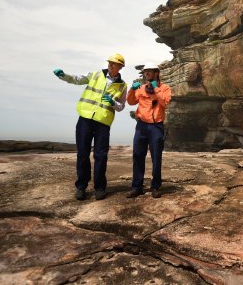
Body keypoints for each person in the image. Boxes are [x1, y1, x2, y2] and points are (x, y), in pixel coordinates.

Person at [53, 54, 128, 201]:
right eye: (110, 63)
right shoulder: (95, 75)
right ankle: (81, 187)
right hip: (85, 119)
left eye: (114, 64)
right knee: (82, 153)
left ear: (120, 67)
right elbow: (77, 79)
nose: (111, 65)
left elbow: (121, 107)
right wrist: (63, 76)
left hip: (103, 123)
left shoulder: (122, 85)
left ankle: (100, 188)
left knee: (101, 156)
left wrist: (112, 102)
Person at [126, 62, 172, 198]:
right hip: (141, 126)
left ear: (156, 73)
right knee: (138, 155)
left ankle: (156, 186)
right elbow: (131, 102)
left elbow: (165, 102)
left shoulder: (164, 88)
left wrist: (155, 90)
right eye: (145, 72)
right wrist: (132, 90)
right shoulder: (141, 88)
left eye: (149, 72)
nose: (146, 74)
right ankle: (137, 187)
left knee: (156, 157)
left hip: (156, 126)